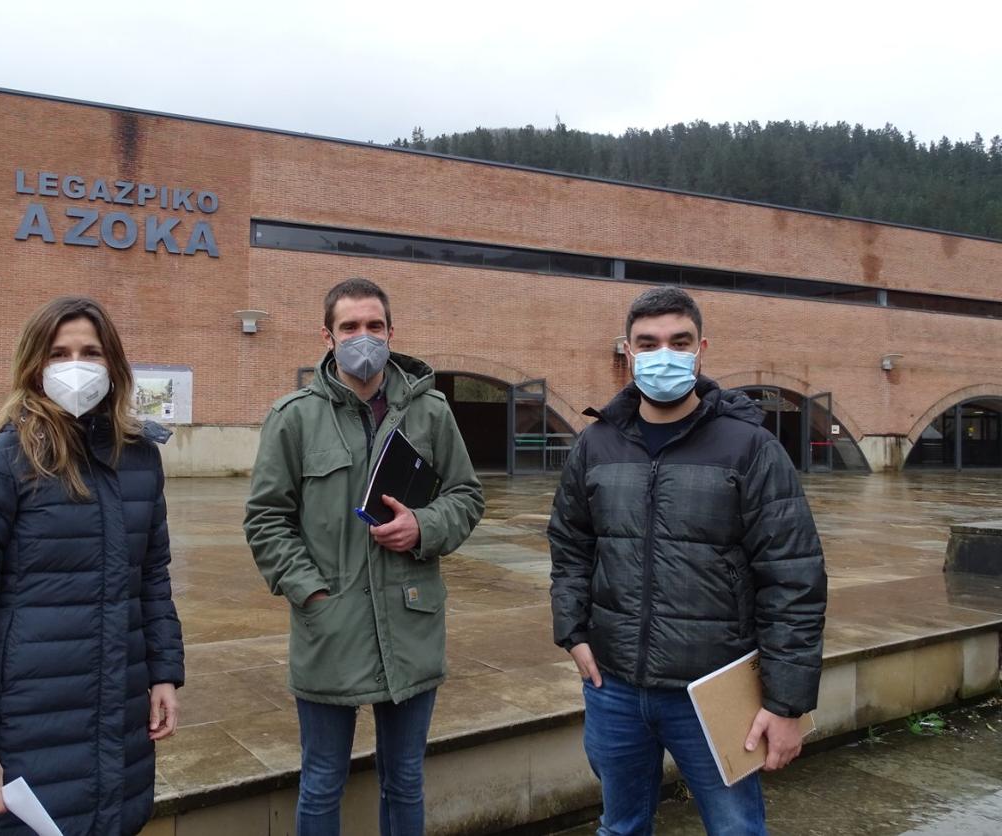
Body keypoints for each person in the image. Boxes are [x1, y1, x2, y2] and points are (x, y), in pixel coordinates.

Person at [547, 286, 827, 835]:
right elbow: (570, 544)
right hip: (616, 687)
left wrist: (787, 703)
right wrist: (572, 632)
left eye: (680, 341)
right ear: (627, 350)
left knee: (736, 830)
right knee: (620, 827)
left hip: (715, 689)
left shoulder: (749, 447)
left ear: (702, 350)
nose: (663, 354)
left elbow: (793, 575)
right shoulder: (596, 444)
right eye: (648, 343)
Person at [0, 296, 184, 836]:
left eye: (91, 352)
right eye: (59, 352)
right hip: (25, 730)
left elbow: (153, 575)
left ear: (113, 365)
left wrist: (163, 670)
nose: (76, 365)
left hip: (117, 723)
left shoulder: (139, 458)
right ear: (33, 366)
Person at [244, 277, 484, 836]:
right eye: (350, 326)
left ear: (392, 332)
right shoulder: (294, 416)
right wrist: (310, 590)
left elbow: (467, 496)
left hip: (411, 620)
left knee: (404, 779)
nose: (363, 337)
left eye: (374, 326)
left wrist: (423, 526)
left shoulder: (430, 411)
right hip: (332, 625)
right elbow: (265, 518)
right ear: (326, 336)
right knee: (323, 779)